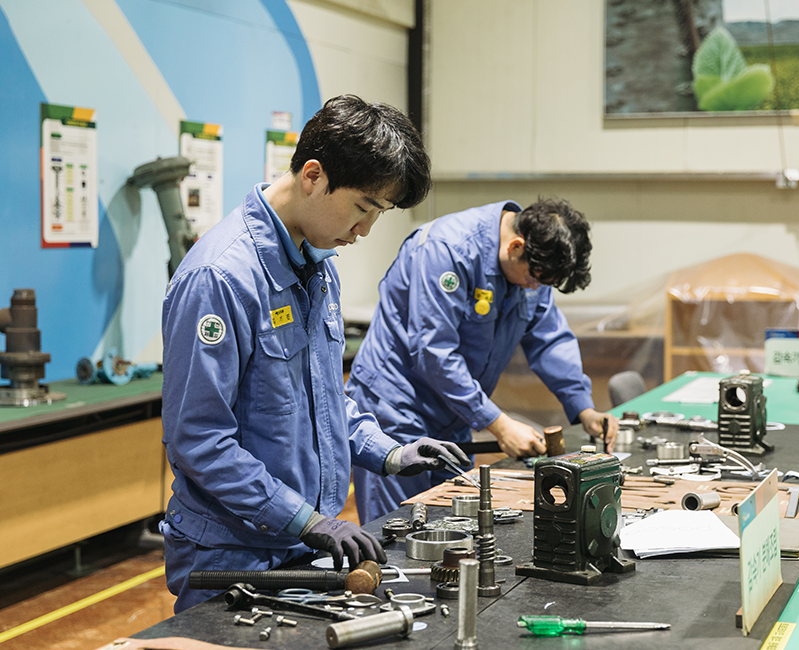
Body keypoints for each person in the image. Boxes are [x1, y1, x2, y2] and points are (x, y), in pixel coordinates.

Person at [159, 95, 469, 612]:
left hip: (300, 548)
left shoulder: (317, 269)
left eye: (380, 214)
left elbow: (323, 402)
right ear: (312, 175)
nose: (365, 230)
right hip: (234, 554)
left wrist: (389, 452)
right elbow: (200, 440)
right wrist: (307, 519)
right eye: (364, 207)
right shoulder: (221, 278)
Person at [345, 198, 619, 524]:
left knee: (454, 527)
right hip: (397, 410)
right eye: (535, 278)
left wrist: (583, 407)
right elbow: (434, 353)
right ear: (516, 246)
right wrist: (499, 424)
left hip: (453, 412)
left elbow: (549, 339)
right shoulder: (446, 250)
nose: (536, 286)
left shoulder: (534, 264)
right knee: (397, 534)